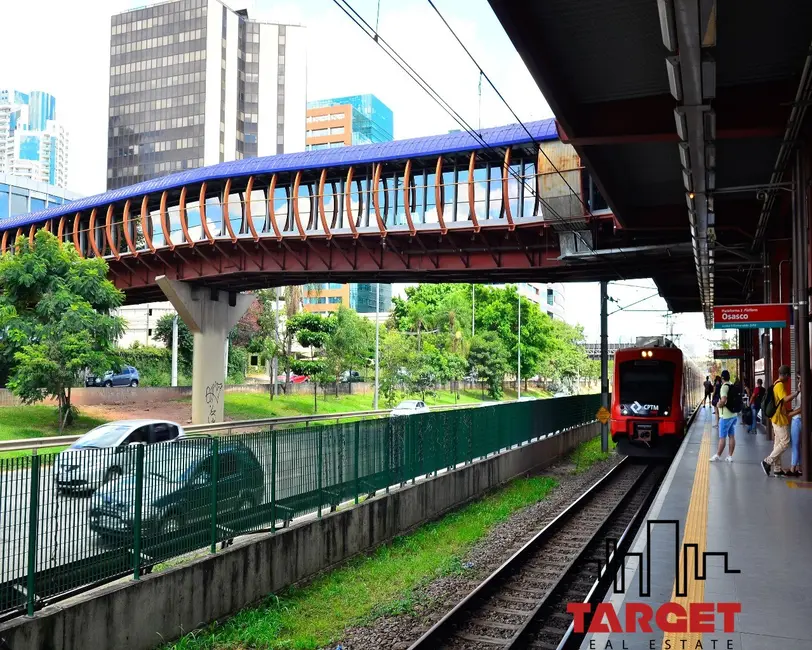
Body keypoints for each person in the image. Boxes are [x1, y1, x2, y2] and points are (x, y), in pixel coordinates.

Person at [761, 365, 801, 476]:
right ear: (786, 375)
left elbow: (780, 403)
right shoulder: (780, 386)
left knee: (778, 443)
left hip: (776, 418)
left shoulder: (776, 383)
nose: (789, 379)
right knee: (785, 442)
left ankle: (777, 469)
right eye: (788, 376)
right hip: (779, 419)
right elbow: (785, 399)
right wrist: (797, 392)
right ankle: (767, 461)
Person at [711, 370, 737, 462]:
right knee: (731, 436)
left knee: (722, 437)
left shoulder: (724, 387)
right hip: (733, 415)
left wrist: (718, 404)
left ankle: (718, 455)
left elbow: (723, 400)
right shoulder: (731, 384)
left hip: (725, 416)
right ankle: (730, 456)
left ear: (722, 378)